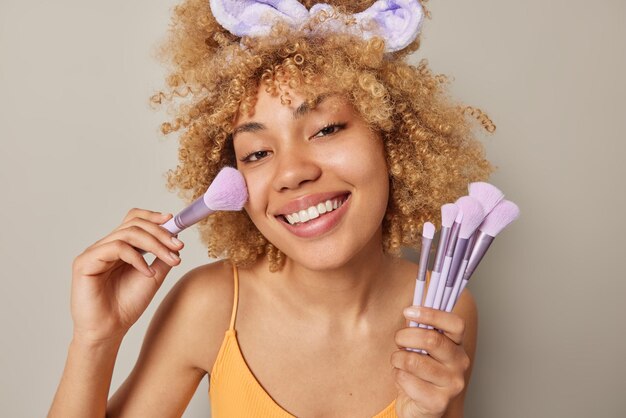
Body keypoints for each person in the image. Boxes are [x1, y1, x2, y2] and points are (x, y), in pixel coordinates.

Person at [48, 0, 494, 417]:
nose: (290, 173)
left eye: (326, 129)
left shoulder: (442, 307)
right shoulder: (211, 306)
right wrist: (95, 340)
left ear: (390, 138)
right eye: (257, 153)